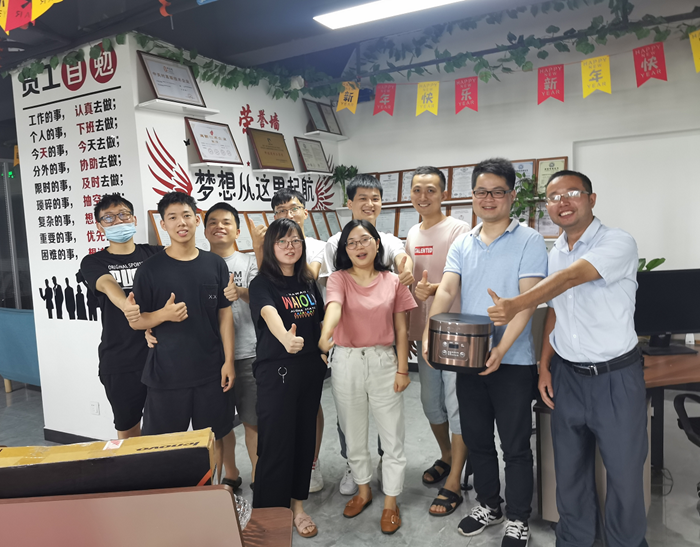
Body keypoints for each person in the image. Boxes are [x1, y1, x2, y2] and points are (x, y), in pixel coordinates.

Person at [486, 170, 648, 547]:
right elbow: (556, 311)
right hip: (568, 376)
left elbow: (573, 277)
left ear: (591, 199)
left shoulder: (617, 242)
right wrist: (545, 365)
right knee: (569, 473)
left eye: (572, 193)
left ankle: (627, 542)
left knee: (624, 475)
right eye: (554, 197)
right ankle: (574, 540)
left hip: (615, 378)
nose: (563, 202)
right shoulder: (555, 251)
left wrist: (518, 303)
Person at [422, 158, 547, 547]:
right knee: (477, 439)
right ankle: (490, 505)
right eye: (481, 192)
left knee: (515, 446)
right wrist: (430, 332)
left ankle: (518, 517)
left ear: (512, 195)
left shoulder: (530, 240)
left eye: (497, 191)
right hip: (468, 359)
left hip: (513, 362)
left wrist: (501, 348)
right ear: (472, 196)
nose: (488, 199)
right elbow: (447, 288)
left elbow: (527, 302)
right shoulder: (464, 242)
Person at [131, 191, 239, 487]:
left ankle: (212, 493)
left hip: (210, 372)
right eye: (173, 217)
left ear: (197, 219)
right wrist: (162, 315)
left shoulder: (214, 264)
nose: (181, 223)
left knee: (214, 438)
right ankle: (170, 499)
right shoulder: (150, 270)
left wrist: (228, 361)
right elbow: (138, 321)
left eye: (187, 215)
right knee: (164, 446)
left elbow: (224, 315)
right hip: (166, 375)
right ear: (163, 224)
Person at [319, 219, 416, 534]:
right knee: (353, 433)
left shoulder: (393, 281)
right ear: (345, 249)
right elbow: (334, 307)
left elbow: (401, 329)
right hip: (346, 362)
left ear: (377, 243)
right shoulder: (338, 278)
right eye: (351, 242)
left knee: (392, 436)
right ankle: (363, 491)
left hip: (383, 361)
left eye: (365, 240)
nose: (358, 247)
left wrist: (403, 368)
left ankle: (391, 502)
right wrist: (326, 332)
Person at [249, 218, 326, 538]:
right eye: (282, 241)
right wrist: (284, 337)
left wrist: (325, 348)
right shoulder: (262, 283)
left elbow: (321, 320)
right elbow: (268, 313)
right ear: (271, 246)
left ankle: (297, 507)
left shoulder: (308, 281)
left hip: (309, 371)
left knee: (303, 441)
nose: (289, 246)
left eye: (295, 240)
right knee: (275, 445)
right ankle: (267, 515)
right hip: (277, 371)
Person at [405, 166, 472, 517]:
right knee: (431, 404)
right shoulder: (412, 233)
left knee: (456, 404)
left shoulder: (459, 230)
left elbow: (464, 278)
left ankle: (455, 478)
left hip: (455, 332)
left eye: (431, 190)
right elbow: (410, 287)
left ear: (443, 194)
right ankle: (447, 455)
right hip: (424, 334)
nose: (423, 196)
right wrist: (411, 330)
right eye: (417, 189)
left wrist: (436, 289)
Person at [79, 194, 164, 439]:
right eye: (108, 217)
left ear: (134, 219)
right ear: (99, 226)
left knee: (164, 428)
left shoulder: (156, 255)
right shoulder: (93, 261)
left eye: (123, 214)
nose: (117, 221)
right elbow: (106, 283)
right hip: (120, 360)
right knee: (128, 429)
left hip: (161, 355)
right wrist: (125, 305)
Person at [205, 202, 259, 490]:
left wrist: (239, 291)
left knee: (252, 421)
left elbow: (262, 298)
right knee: (219, 424)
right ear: (205, 231)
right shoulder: (199, 264)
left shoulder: (249, 262)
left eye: (226, 222)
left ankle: (260, 478)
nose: (219, 226)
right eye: (212, 222)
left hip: (248, 353)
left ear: (237, 231)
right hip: (212, 358)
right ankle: (231, 473)